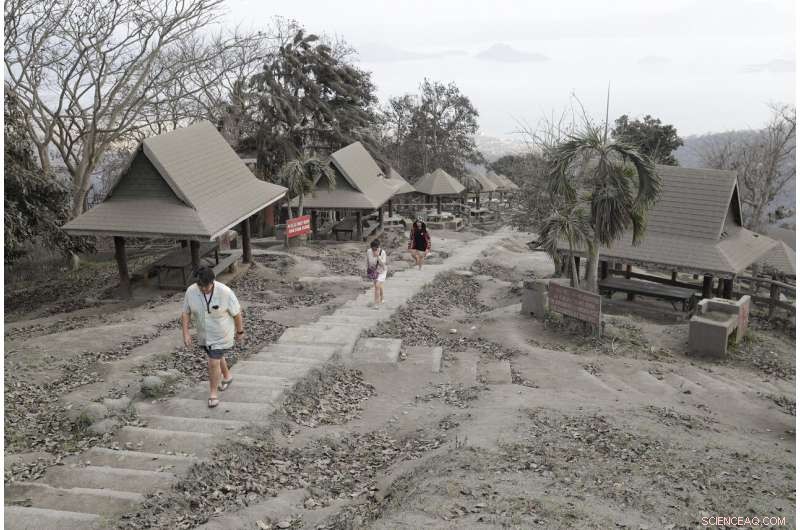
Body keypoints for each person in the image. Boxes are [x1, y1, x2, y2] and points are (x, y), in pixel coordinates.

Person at [181, 266, 244, 408]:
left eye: (206, 286)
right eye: (200, 286)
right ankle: (227, 377)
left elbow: (237, 313)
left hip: (222, 333)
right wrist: (185, 333)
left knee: (213, 362)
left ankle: (213, 394)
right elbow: (186, 312)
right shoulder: (191, 291)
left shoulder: (225, 292)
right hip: (204, 333)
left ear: (213, 281)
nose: (203, 289)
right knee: (214, 354)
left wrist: (240, 332)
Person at [366, 239, 387, 307]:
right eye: (372, 248)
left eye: (375, 248)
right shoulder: (369, 251)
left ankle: (376, 304)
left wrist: (378, 256)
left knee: (377, 286)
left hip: (382, 271)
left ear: (378, 247)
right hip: (374, 271)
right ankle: (382, 297)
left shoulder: (383, 252)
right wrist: (368, 269)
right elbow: (368, 260)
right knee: (378, 286)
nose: (373, 250)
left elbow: (383, 264)